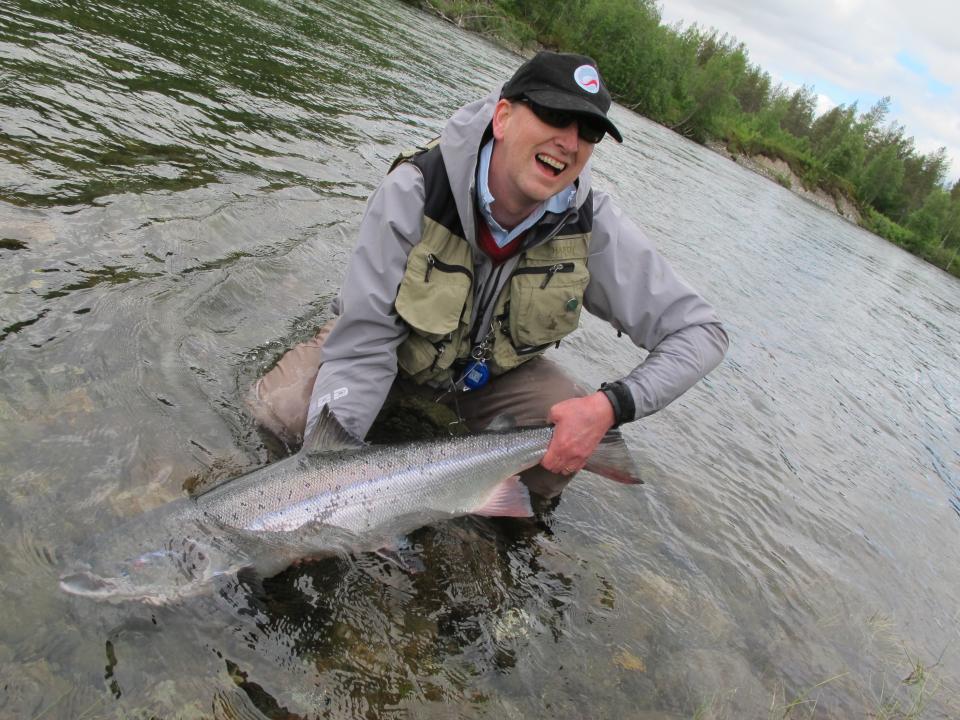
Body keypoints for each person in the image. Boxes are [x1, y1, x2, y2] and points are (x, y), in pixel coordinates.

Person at [247, 51, 728, 498]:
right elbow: (364, 347)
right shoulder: (416, 190)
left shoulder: (592, 225)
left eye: (589, 132)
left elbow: (701, 333)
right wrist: (326, 480)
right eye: (554, 115)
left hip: (484, 384)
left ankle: (497, 513)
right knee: (282, 416)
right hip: (388, 359)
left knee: (556, 458)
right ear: (503, 117)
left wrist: (610, 406)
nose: (569, 142)